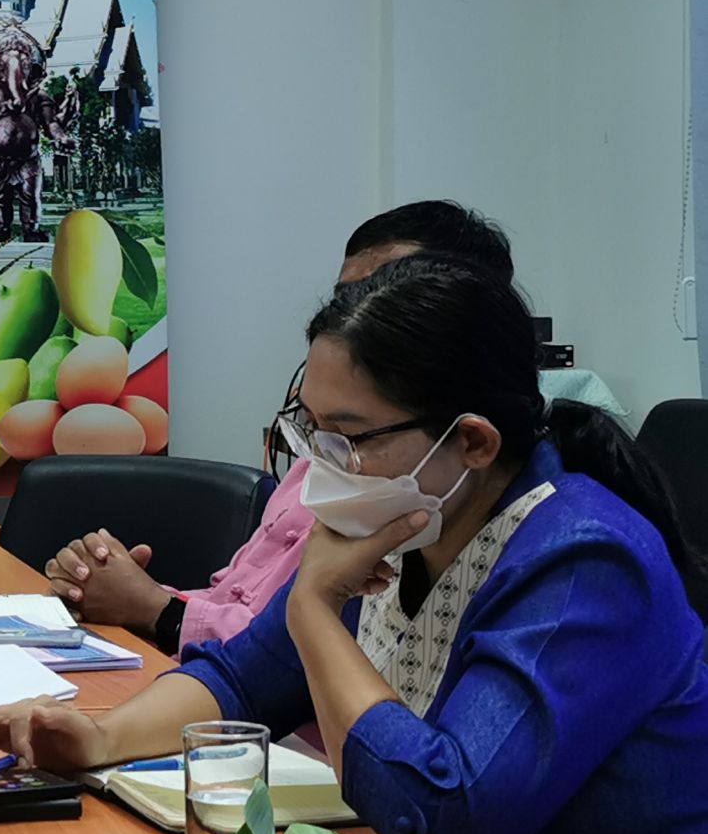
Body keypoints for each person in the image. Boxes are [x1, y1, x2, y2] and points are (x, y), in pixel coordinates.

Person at [0, 256, 708, 834]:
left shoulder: (583, 559)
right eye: (311, 430)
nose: (320, 467)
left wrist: (317, 610)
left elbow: (450, 816)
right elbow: (241, 680)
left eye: (350, 438)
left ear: (473, 442)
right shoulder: (411, 520)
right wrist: (100, 737)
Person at [47, 201, 516, 654]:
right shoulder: (337, 454)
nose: (357, 318)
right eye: (347, 299)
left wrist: (154, 609)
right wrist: (115, 588)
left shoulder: (402, 495)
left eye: (393, 302)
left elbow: (285, 658)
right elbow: (249, 648)